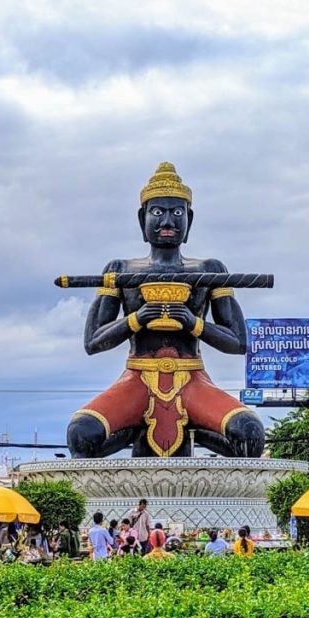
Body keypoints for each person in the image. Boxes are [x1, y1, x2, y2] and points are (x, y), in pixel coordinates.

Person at [66, 162, 265, 459]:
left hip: (193, 382)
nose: (168, 221)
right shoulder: (120, 271)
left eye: (177, 212)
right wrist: (137, 318)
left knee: (249, 434)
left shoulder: (209, 270)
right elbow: (93, 342)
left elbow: (238, 343)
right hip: (136, 380)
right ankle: (133, 426)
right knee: (81, 434)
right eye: (157, 212)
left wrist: (193, 323)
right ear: (141, 219)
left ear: (190, 220)